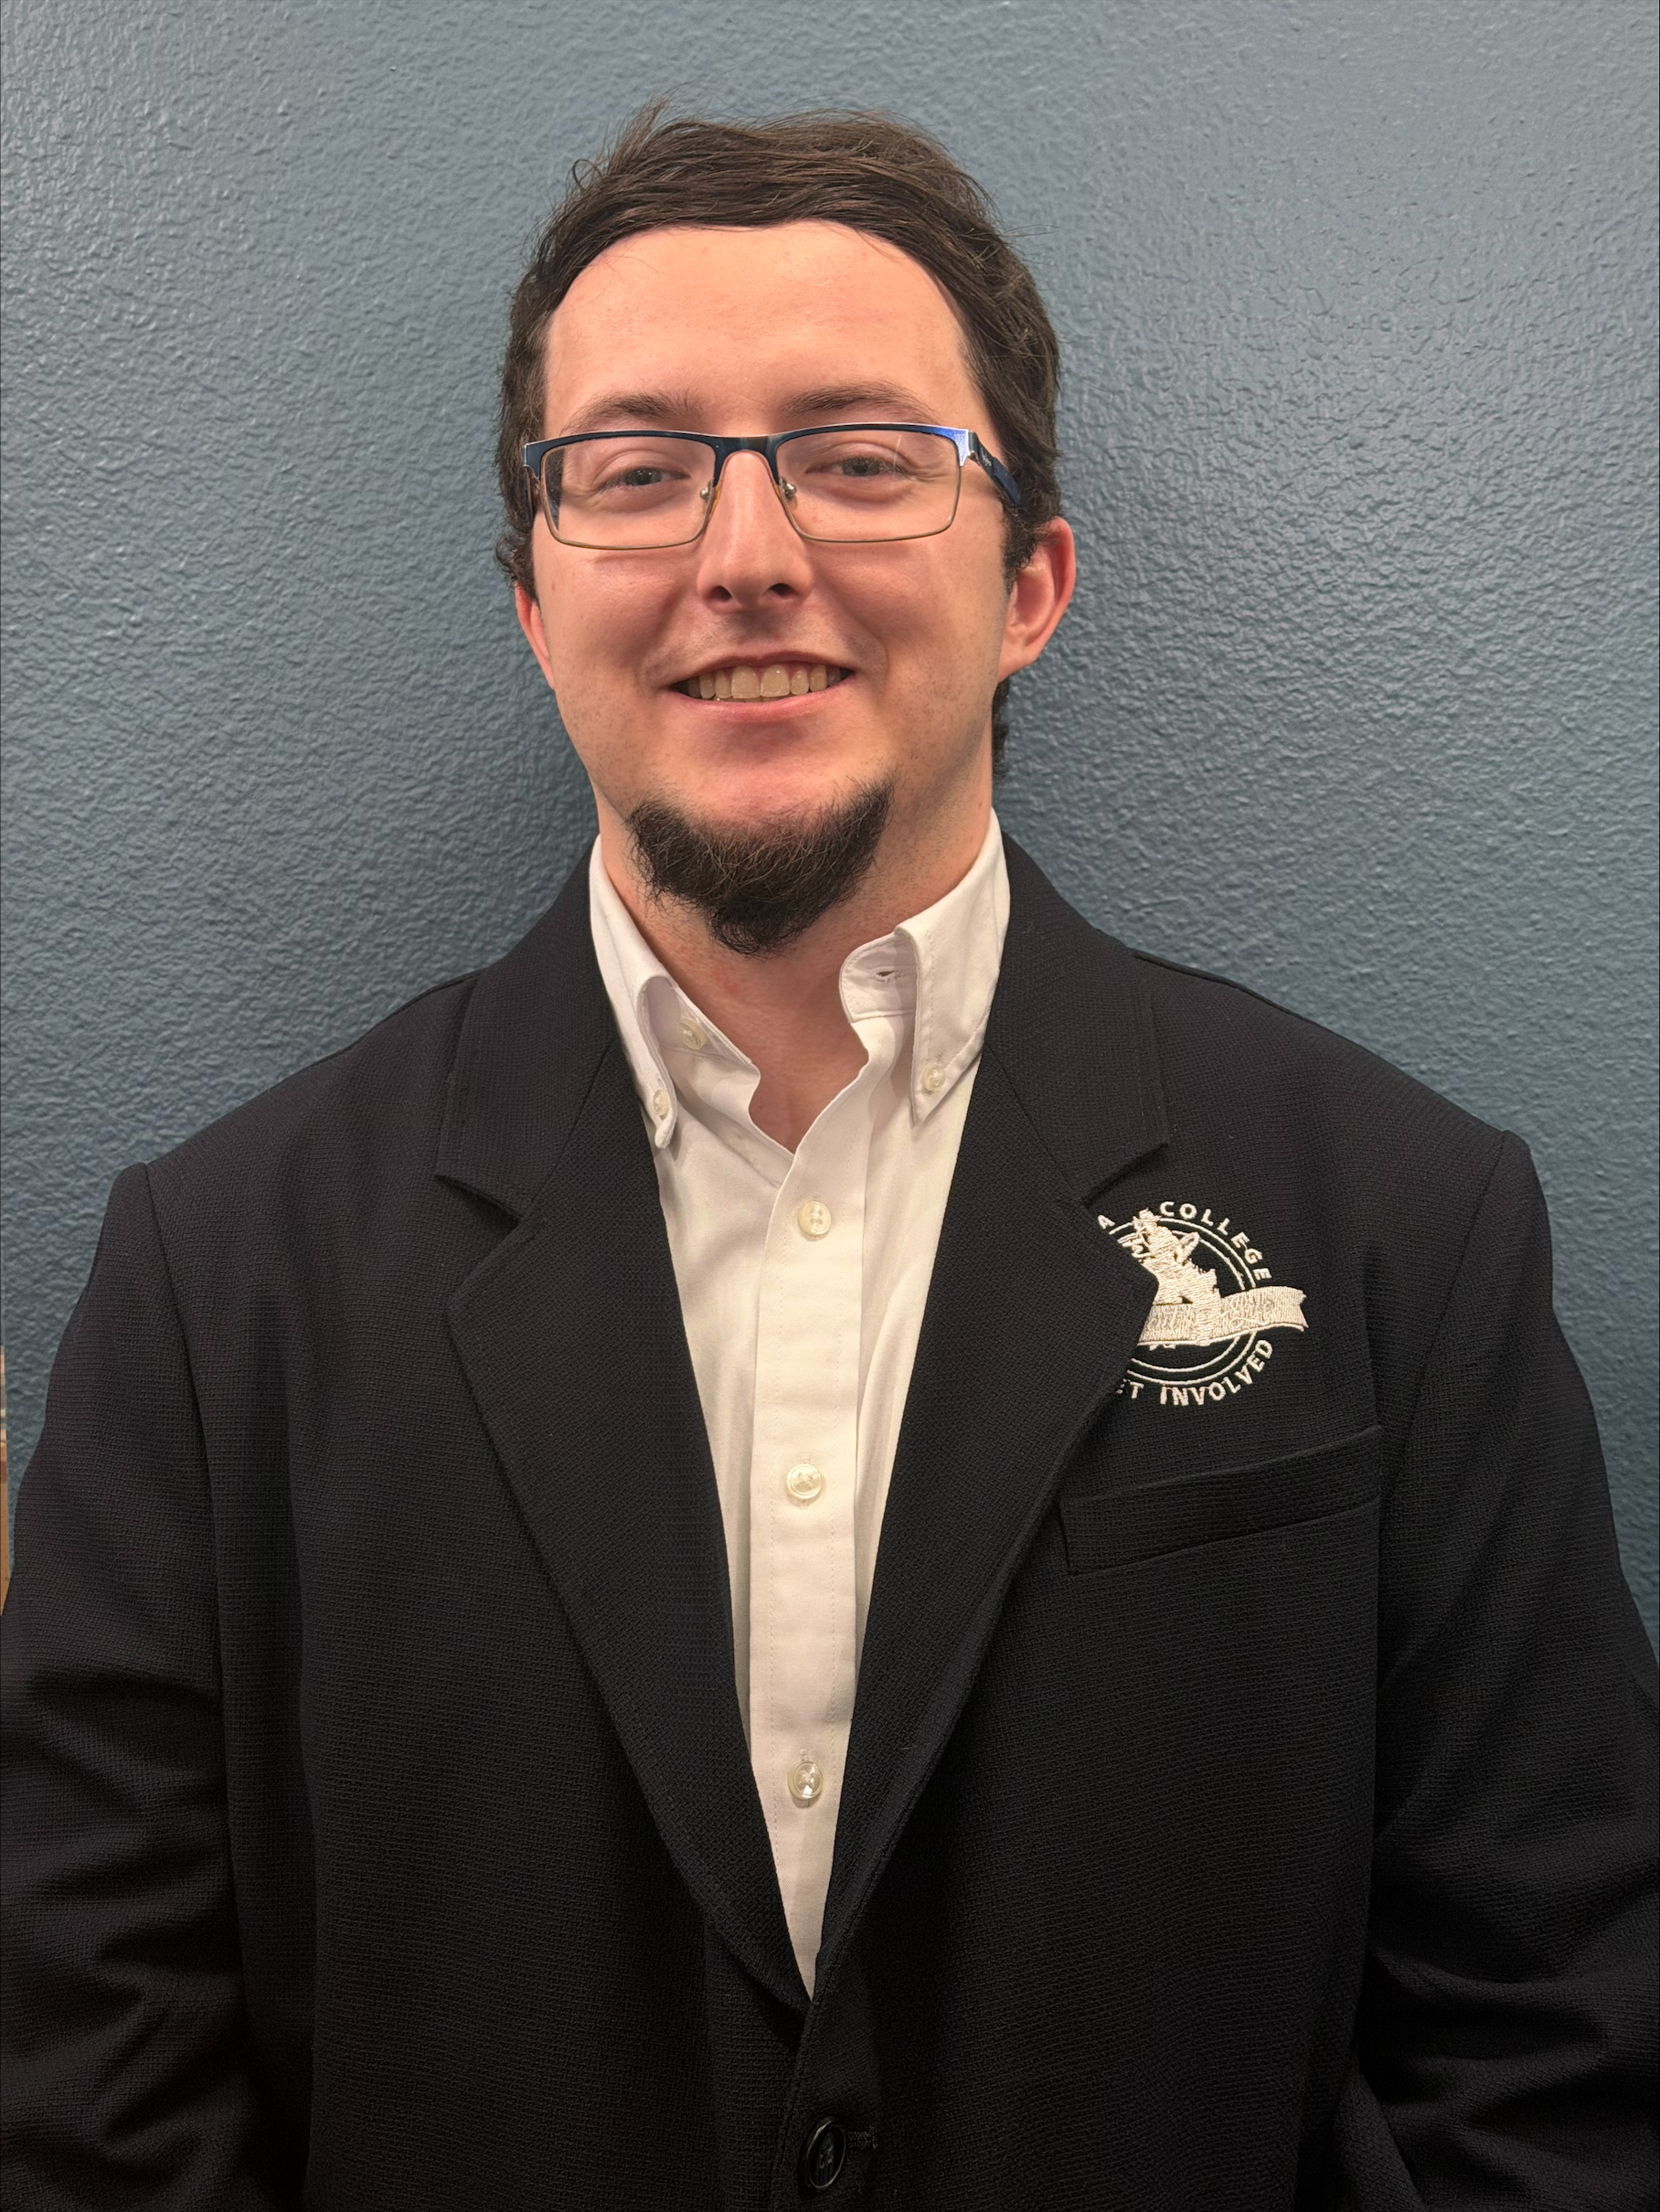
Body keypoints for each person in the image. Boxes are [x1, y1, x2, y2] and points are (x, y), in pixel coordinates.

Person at [2, 106, 1654, 2212]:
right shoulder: (210, 1278)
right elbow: (94, 2072)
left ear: (1030, 578)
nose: (745, 551)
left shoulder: (1400, 1223)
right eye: (634, 468)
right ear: (530, 598)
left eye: (862, 458)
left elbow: (1554, 2041)